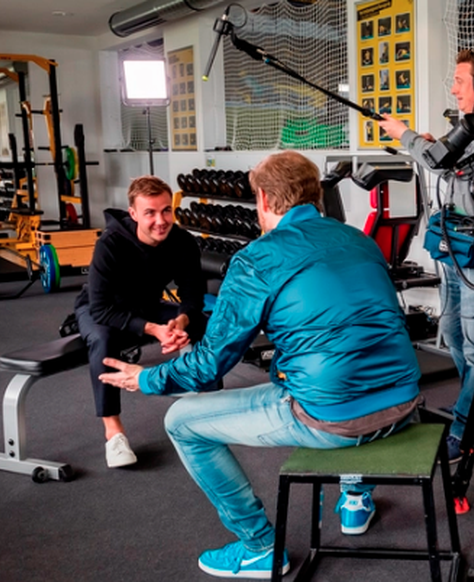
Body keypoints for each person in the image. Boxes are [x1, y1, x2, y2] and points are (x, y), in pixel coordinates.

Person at [99, 151, 421, 579]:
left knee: (181, 420)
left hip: (331, 418)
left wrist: (149, 378)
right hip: (404, 404)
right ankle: (355, 496)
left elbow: (209, 364)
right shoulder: (360, 241)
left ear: (264, 200)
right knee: (337, 368)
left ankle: (259, 548)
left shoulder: (256, 259)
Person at [378, 48, 474, 462]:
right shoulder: (473, 124)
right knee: (456, 336)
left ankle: (466, 428)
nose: (454, 89)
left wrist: (405, 135)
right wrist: (428, 144)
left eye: (459, 81)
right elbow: (449, 163)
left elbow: (445, 164)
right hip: (454, 247)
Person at [74, 175, 206, 468]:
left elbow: (193, 295)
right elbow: (101, 308)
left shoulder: (182, 241)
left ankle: (207, 405)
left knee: (202, 324)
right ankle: (114, 433)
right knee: (103, 341)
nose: (160, 220)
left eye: (166, 210)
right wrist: (154, 329)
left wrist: (181, 322)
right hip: (102, 309)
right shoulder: (110, 243)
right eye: (150, 212)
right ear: (133, 214)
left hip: (146, 306)